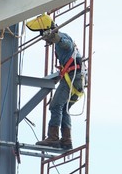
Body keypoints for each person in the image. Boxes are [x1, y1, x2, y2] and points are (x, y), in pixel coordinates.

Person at [26, 14, 84, 150]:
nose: (43, 38)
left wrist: (55, 37)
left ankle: (53, 138)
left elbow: (66, 44)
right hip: (77, 79)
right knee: (64, 109)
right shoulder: (62, 40)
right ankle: (66, 140)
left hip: (72, 78)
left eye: (42, 34)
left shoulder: (62, 37)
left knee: (55, 106)